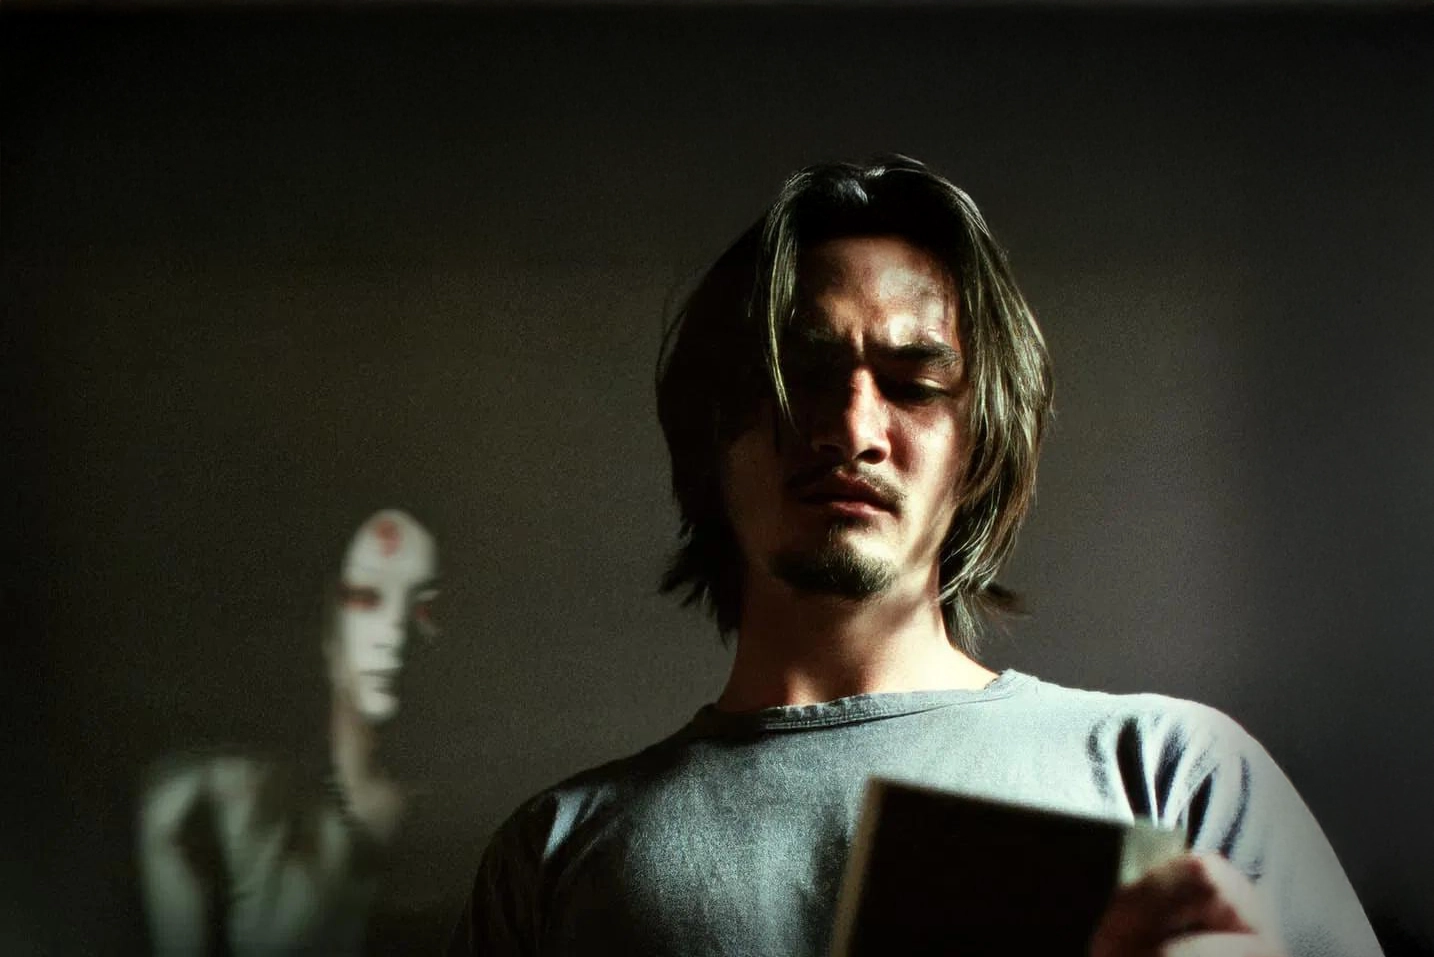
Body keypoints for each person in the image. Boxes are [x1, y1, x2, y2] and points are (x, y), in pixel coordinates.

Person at [446, 157, 1381, 956]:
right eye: (803, 376)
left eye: (914, 383)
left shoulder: (1174, 775)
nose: (852, 429)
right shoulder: (553, 854)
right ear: (714, 433)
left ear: (983, 447)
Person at [137, 508, 441, 956]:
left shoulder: (480, 833)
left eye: (426, 608)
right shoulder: (236, 805)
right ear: (327, 623)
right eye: (366, 596)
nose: (395, 633)